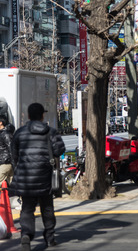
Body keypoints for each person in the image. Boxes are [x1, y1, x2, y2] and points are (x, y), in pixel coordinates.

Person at [10, 103, 65, 251]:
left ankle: (26, 236)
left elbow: (14, 156)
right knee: (47, 208)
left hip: (26, 178)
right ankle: (50, 238)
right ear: (42, 116)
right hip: (44, 177)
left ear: (28, 116)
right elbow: (60, 150)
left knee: (27, 209)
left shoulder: (19, 133)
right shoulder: (51, 132)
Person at [0, 115, 14, 185]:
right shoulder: (2, 133)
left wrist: (13, 163)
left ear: (0, 123)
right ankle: (18, 196)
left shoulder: (5, 134)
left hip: (6, 162)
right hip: (5, 162)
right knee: (13, 183)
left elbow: (11, 148)